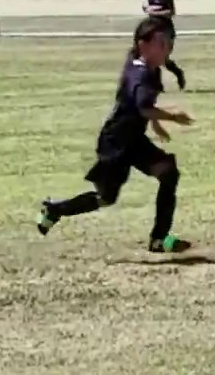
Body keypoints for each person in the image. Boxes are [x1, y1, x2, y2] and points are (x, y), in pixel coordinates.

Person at [35, 17, 196, 253]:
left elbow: (142, 106)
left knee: (169, 173)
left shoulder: (147, 68)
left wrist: (156, 125)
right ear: (143, 44)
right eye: (162, 42)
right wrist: (172, 117)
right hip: (117, 142)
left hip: (133, 139)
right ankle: (55, 209)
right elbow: (143, 106)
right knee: (106, 198)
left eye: (170, 42)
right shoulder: (140, 74)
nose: (167, 47)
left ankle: (159, 238)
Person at [143, 0, 186, 91]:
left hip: (165, 30)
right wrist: (145, 8)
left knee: (163, 59)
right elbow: (147, 7)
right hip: (152, 29)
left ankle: (178, 74)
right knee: (151, 58)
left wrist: (153, 12)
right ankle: (158, 85)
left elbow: (170, 12)